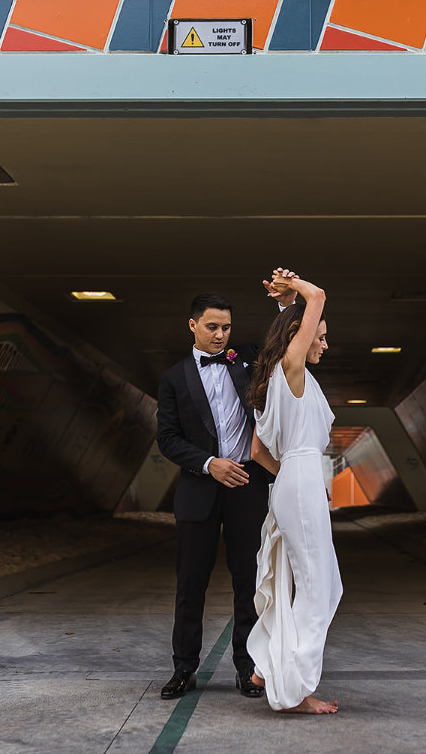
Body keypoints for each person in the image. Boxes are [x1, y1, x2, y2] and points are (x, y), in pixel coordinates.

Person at [155, 272, 298, 701]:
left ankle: (247, 667)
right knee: (190, 583)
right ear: (193, 324)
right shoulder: (173, 379)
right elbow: (168, 438)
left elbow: (287, 341)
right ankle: (184, 669)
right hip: (200, 488)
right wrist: (208, 464)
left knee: (249, 581)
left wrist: (287, 302)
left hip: (247, 487)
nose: (221, 335)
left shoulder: (247, 358)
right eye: (212, 326)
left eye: (227, 327)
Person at [245, 273, 343, 715]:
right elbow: (318, 297)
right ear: (298, 339)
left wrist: (285, 304)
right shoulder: (292, 369)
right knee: (319, 588)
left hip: (293, 481)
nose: (324, 343)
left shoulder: (277, 379)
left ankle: (267, 663)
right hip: (299, 481)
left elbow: (256, 450)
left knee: (319, 584)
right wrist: (296, 285)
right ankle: (294, 689)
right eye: (319, 335)